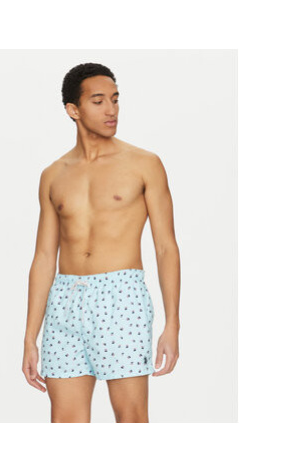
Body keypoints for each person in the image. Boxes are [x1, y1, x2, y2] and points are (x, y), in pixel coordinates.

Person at [22, 63, 181, 423]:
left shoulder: (144, 164)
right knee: (66, 422)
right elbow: (44, 257)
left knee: (131, 418)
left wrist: (172, 323)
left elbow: (166, 247)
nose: (111, 110)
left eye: (115, 99)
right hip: (64, 301)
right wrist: (30, 337)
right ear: (73, 110)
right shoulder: (53, 175)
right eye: (98, 101)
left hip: (121, 297)